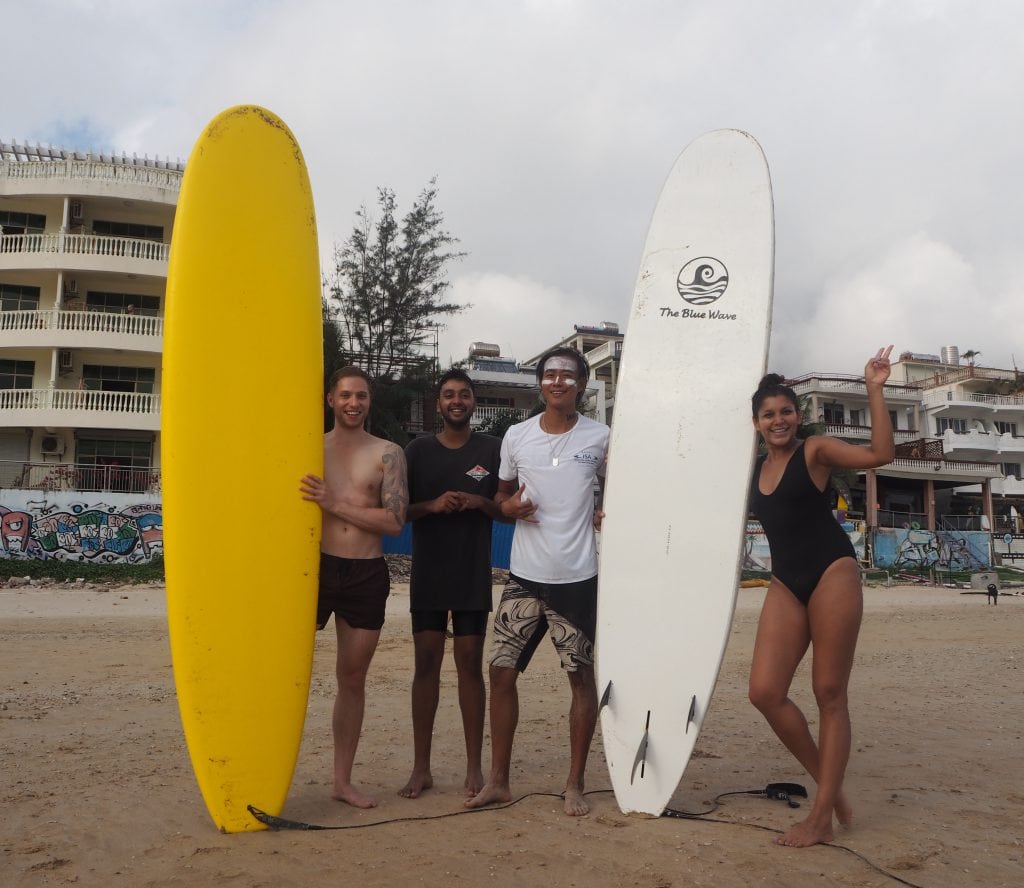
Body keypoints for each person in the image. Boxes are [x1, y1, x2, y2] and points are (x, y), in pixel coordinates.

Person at [748, 345, 895, 847]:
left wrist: (874, 389)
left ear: (797, 415)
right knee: (764, 692)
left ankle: (821, 817)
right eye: (769, 414)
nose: (779, 420)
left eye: (786, 411)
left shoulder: (814, 452)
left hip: (833, 572)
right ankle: (830, 790)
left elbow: (881, 455)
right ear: (756, 424)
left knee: (829, 693)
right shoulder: (750, 473)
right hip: (788, 581)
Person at [466, 346, 608, 817]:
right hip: (524, 577)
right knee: (501, 674)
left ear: (582, 385)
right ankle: (499, 782)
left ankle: (575, 783)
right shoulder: (516, 436)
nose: (558, 382)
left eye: (568, 376)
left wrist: (611, 508)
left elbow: (623, 488)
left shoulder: (603, 437)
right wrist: (505, 510)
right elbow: (502, 495)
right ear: (540, 384)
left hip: (577, 578)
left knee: (581, 680)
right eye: (549, 375)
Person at [299, 366, 408, 808]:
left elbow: (395, 522)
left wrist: (334, 503)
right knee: (286, 673)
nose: (353, 403)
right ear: (330, 399)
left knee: (352, 678)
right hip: (313, 572)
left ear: (369, 402)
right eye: (345, 395)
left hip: (365, 572)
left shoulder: (388, 454)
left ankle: (341, 781)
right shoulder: (307, 449)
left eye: (361, 396)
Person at [398, 369, 505, 799]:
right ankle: (421, 767)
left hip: (470, 575)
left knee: (469, 667)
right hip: (429, 574)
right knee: (425, 667)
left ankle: (474, 767)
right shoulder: (417, 451)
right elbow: (398, 512)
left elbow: (507, 508)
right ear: (437, 403)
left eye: (463, 394)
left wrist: (480, 502)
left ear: (474, 402)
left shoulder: (493, 450)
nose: (456, 401)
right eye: (448, 395)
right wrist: (433, 505)